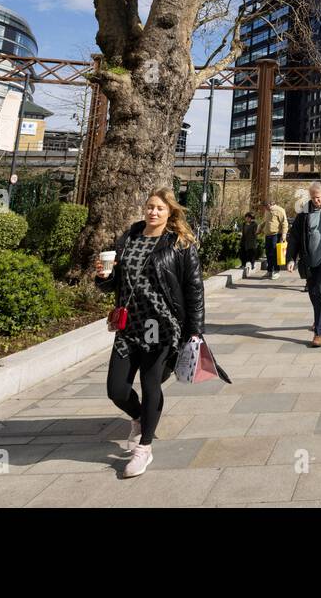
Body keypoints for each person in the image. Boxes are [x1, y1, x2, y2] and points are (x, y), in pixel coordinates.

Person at [95, 188, 204, 479]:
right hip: (129, 326)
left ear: (170, 214)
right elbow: (115, 283)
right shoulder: (129, 238)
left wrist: (195, 331)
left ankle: (144, 447)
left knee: (151, 381)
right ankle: (138, 417)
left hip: (161, 325)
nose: (153, 212)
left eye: (159, 208)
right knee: (116, 389)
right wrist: (103, 277)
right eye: (150, 207)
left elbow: (194, 290)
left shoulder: (180, 244)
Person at [286, 182, 321, 348]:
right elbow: (295, 237)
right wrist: (291, 259)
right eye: (313, 198)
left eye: (318, 197)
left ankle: (318, 333)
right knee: (312, 293)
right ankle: (317, 317)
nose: (316, 201)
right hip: (309, 261)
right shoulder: (304, 213)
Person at [259, 198, 288, 280]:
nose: (265, 209)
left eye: (265, 207)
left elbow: (284, 223)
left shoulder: (280, 210)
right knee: (268, 254)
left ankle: (276, 271)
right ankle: (269, 271)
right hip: (267, 235)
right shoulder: (267, 211)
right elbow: (265, 221)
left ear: (269, 204)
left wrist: (284, 234)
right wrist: (260, 228)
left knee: (275, 254)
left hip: (276, 235)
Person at [238, 211, 261, 279]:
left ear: (251, 218)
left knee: (251, 254)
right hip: (244, 241)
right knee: (242, 253)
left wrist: (257, 232)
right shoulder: (244, 224)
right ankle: (243, 264)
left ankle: (252, 263)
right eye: (246, 217)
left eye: (248, 217)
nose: (247, 218)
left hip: (251, 241)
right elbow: (242, 231)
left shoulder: (254, 224)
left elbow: (256, 232)